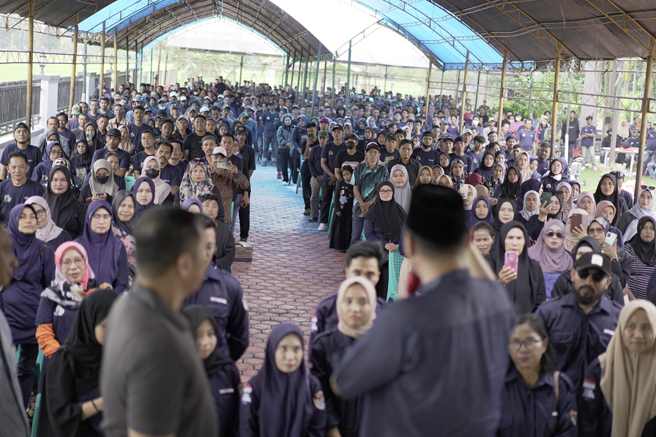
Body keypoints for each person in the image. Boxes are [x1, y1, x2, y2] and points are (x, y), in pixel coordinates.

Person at [331, 185, 515, 437]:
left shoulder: (405, 317)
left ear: (409, 242)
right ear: (466, 242)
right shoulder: (495, 299)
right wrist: (460, 237)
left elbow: (344, 380)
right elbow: (487, 285)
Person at [101, 208, 218, 436]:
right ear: (184, 264)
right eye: (201, 252)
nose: (207, 258)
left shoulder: (130, 306)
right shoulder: (158, 342)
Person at [536, 252, 622, 391]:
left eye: (597, 277)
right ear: (572, 274)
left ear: (607, 282)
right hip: (554, 398)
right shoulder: (549, 313)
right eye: (583, 274)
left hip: (600, 400)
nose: (588, 282)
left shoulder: (619, 319)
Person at [37, 289, 117, 437]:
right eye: (106, 326)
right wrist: (102, 403)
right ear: (90, 321)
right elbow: (60, 418)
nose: (114, 330)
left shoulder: (118, 356)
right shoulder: (65, 361)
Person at [3, 204, 56, 410]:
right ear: (13, 220)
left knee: (25, 370)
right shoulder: (3, 249)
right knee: (3, 370)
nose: (28, 220)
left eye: (32, 217)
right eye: (22, 217)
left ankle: (21, 412)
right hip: (6, 318)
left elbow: (50, 287)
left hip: (33, 318)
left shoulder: (45, 249)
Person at [310, 277, 377, 437]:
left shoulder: (383, 344)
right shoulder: (323, 345)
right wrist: (332, 429)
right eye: (348, 301)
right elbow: (319, 392)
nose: (355, 309)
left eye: (363, 302)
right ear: (339, 304)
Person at [579, 300, 656, 436]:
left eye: (646, 327)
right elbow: (587, 423)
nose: (638, 334)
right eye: (631, 326)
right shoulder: (601, 368)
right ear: (620, 328)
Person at [498, 314, 577, 437]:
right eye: (515, 342)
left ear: (544, 345)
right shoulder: (498, 387)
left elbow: (568, 432)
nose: (523, 349)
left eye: (530, 342)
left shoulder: (560, 386)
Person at [240, 323, 326, 436]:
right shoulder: (255, 388)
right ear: (272, 349)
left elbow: (318, 428)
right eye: (283, 348)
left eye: (296, 349)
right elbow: (246, 429)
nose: (290, 357)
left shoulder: (311, 386)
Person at [182, 305, 240, 437]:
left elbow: (236, 420)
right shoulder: (174, 372)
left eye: (210, 334)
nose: (205, 343)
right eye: (197, 335)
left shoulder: (227, 370)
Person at [487, 221, 546, 313]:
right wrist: (500, 284)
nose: (515, 243)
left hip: (526, 320)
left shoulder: (533, 267)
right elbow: (480, 300)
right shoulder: (488, 264)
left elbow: (540, 303)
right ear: (502, 239)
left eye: (519, 238)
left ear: (524, 241)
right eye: (510, 237)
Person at [363, 182, 407, 298]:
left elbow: (405, 232)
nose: (386, 193)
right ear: (378, 193)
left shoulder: (400, 211)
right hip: (378, 251)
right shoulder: (372, 211)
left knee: (391, 275)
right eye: (383, 191)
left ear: (393, 192)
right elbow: (369, 235)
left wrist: (395, 244)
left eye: (389, 190)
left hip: (395, 251)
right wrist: (385, 244)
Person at [551, 237, 624, 304]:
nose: (583, 257)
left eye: (588, 254)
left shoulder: (611, 281)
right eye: (580, 253)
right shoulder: (565, 279)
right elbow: (555, 307)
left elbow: (619, 310)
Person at [78, 200, 129, 293]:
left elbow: (122, 283)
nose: (101, 222)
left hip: (110, 299)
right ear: (89, 218)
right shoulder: (77, 247)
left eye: (106, 217)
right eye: (97, 216)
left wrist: (107, 297)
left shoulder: (118, 247)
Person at [350, 143, 389, 245]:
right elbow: (355, 188)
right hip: (358, 207)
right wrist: (362, 205)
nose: (372, 154)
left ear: (379, 155)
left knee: (373, 237)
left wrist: (368, 204)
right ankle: (354, 255)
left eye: (375, 152)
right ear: (366, 154)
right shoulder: (359, 168)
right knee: (355, 237)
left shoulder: (383, 170)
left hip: (376, 208)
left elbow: (383, 191)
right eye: (370, 152)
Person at [528, 220, 573, 298]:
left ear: (563, 237)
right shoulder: (530, 255)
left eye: (559, 234)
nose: (554, 237)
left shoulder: (568, 260)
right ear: (543, 235)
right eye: (550, 233)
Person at [0, 152, 46, 222]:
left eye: (21, 167)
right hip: (6, 228)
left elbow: (43, 213)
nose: (17, 170)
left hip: (29, 227)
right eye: (13, 167)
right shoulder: (2, 187)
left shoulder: (38, 188)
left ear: (27, 168)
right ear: (8, 169)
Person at [192, 196, 234, 271]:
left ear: (218, 209)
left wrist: (215, 266)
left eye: (214, 206)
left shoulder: (225, 231)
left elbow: (230, 255)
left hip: (219, 272)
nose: (210, 209)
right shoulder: (193, 229)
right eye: (206, 205)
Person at [45, 166, 86, 239]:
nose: (59, 184)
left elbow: (83, 232)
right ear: (50, 182)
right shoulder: (41, 205)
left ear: (68, 182)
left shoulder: (78, 207)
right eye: (55, 180)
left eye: (63, 180)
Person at [623, 216, 656, 300]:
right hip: (630, 300)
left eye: (652, 228)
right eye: (644, 228)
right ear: (639, 229)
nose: (648, 231)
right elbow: (622, 276)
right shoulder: (628, 249)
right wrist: (633, 301)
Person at [111, 191, 138, 286]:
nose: (126, 210)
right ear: (115, 206)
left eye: (130, 206)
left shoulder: (140, 230)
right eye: (122, 205)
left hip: (136, 284)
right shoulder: (108, 229)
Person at [329, 165, 354, 253]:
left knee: (348, 229)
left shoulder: (354, 184)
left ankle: (347, 245)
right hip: (340, 211)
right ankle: (339, 246)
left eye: (348, 174)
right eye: (344, 175)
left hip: (349, 211)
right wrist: (337, 209)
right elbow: (336, 197)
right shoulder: (340, 183)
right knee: (339, 229)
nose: (346, 177)